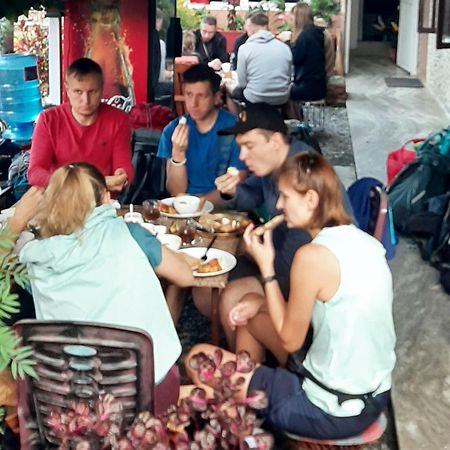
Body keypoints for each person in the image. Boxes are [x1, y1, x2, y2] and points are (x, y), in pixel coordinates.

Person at [186, 151, 396, 440]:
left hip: (328, 409)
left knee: (198, 357)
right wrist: (259, 302)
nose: (278, 204)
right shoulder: (364, 242)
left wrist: (266, 267)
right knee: (251, 318)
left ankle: (247, 416)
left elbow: (290, 339)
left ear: (311, 200)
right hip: (373, 395)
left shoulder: (311, 257)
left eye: (285, 196)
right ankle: (248, 411)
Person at [8, 163, 194, 412]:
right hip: (146, 391)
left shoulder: (34, 259)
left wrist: (17, 223)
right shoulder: (129, 234)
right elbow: (185, 276)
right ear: (107, 198)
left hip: (72, 401)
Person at [211, 103, 353, 350]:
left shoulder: (300, 179)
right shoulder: (277, 164)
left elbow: (290, 268)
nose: (242, 156)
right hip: (286, 261)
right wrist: (232, 191)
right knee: (225, 280)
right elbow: (252, 195)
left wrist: (253, 254)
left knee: (233, 300)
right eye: (240, 146)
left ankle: (259, 374)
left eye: (249, 146)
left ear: (275, 141)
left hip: (316, 285)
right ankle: (251, 373)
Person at [28, 58, 133, 192]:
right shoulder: (48, 120)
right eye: (78, 92)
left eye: (92, 92)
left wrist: (121, 176)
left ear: (101, 89)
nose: (86, 100)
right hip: (61, 197)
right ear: (68, 90)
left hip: (102, 201)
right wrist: (93, 182)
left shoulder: (118, 120)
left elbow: (124, 168)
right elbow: (35, 173)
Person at [157, 64, 246, 204]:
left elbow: (236, 188)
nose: (193, 103)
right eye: (189, 95)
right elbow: (175, 192)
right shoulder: (172, 130)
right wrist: (178, 154)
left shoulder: (235, 128)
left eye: (201, 96)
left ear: (216, 97)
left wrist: (198, 203)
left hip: (223, 211)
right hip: (184, 209)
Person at [233, 13, 292, 106]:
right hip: (282, 98)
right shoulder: (284, 47)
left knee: (232, 92)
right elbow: (289, 78)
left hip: (255, 98)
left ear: (251, 29)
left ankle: (239, 119)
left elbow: (242, 83)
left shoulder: (245, 49)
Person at [290, 3, 327, 102]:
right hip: (319, 86)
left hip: (306, 87)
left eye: (292, 16)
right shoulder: (316, 33)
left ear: (299, 18)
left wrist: (288, 42)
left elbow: (294, 58)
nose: (291, 20)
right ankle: (295, 115)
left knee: (279, 93)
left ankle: (293, 116)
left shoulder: (304, 36)